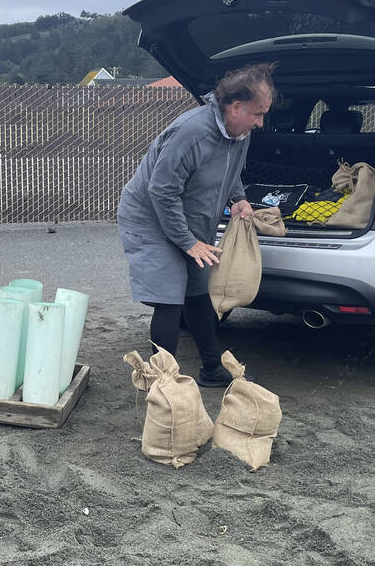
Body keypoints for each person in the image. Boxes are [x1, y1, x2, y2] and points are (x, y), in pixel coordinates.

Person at [117, 63, 275, 386]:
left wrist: (238, 198)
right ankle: (161, 384)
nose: (261, 122)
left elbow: (228, 172)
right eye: (257, 113)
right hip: (150, 217)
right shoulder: (191, 132)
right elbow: (160, 191)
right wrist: (188, 243)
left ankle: (211, 369)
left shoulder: (239, 133)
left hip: (186, 218)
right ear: (234, 107)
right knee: (170, 295)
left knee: (198, 291)